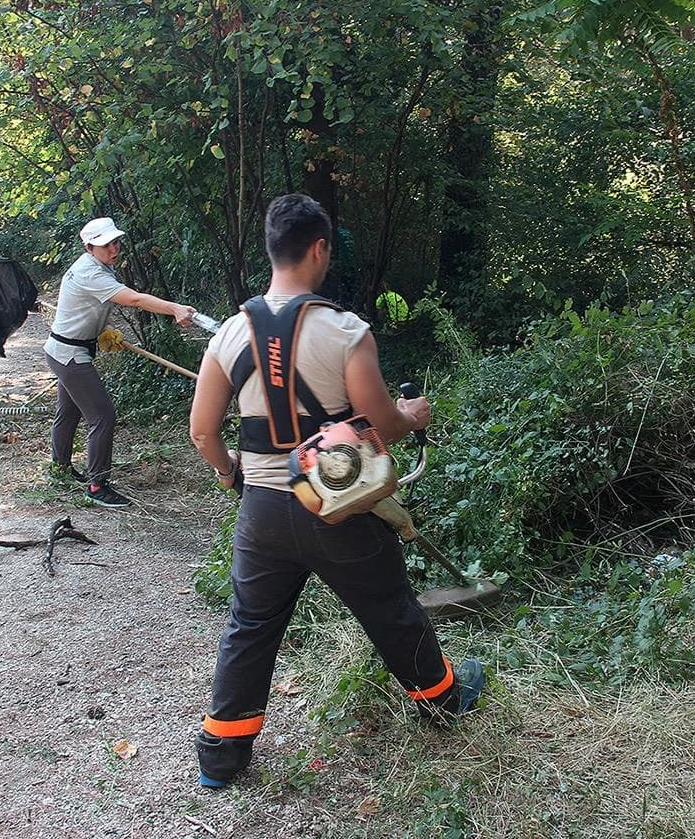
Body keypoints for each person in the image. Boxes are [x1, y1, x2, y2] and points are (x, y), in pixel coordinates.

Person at [188, 194, 484, 789]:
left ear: (271, 249)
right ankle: (441, 698)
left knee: (251, 624)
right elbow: (384, 421)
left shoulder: (231, 334)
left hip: (264, 512)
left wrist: (231, 474)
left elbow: (201, 431)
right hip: (338, 507)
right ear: (319, 249)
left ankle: (222, 757)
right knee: (389, 608)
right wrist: (411, 412)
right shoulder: (346, 331)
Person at [43, 216, 196, 507]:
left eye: (115, 242)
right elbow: (135, 300)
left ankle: (60, 468)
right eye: (106, 245)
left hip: (67, 349)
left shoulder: (97, 266)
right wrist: (174, 308)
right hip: (69, 354)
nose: (114, 249)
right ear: (89, 247)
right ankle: (97, 486)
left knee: (69, 411)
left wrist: (101, 332)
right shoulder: (91, 273)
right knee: (102, 416)